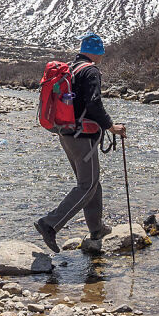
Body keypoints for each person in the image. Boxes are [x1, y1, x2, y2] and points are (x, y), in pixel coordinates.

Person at [34, 33, 126, 253]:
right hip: (83, 137)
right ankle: (50, 224)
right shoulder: (91, 71)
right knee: (87, 185)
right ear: (95, 52)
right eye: (101, 51)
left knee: (92, 183)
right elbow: (94, 104)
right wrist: (111, 126)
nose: (103, 55)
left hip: (66, 134)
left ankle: (97, 229)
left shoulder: (71, 68)